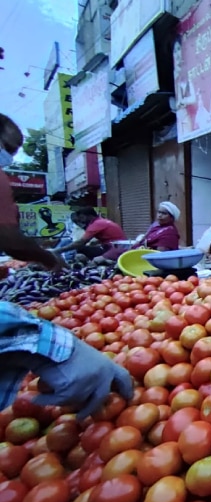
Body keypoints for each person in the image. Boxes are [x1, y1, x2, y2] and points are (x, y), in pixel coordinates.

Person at [0, 113, 133, 419]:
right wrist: (56, 348)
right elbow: (9, 236)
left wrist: (51, 256)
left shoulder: (101, 224)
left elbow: (10, 236)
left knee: (94, 260)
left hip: (111, 254)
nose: (9, 158)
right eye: (8, 147)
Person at [95, 201, 181, 264]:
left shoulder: (169, 232)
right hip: (136, 251)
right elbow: (144, 238)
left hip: (143, 258)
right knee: (111, 252)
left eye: (164, 213)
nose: (159, 215)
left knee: (101, 259)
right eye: (159, 212)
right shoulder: (157, 225)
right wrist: (133, 247)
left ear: (171, 218)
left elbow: (160, 255)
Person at [53, 207, 127, 259]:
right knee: (82, 252)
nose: (82, 221)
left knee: (82, 250)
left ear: (89, 216)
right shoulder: (101, 221)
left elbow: (81, 242)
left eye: (82, 218)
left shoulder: (95, 224)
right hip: (117, 246)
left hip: (116, 249)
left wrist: (59, 250)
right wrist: (96, 242)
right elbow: (110, 236)